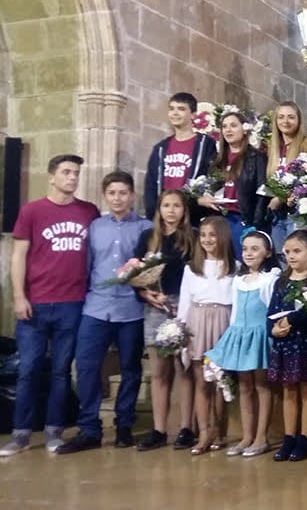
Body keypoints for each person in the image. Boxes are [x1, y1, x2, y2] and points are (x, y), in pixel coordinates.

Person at [1, 154, 100, 457]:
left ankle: (54, 431)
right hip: (37, 303)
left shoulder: (89, 211)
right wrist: (19, 296)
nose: (72, 178)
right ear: (52, 176)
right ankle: (20, 435)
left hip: (73, 302)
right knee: (29, 369)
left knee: (60, 371)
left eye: (76, 173)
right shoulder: (32, 211)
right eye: (66, 172)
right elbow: (18, 255)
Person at [56, 172, 151, 454]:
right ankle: (89, 428)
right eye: (112, 193)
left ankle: (124, 426)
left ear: (132, 195)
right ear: (105, 195)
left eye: (123, 193)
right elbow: (86, 264)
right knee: (85, 367)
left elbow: (149, 267)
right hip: (96, 308)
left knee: (131, 370)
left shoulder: (145, 228)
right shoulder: (95, 226)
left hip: (130, 310)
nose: (118, 198)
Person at [204, 230, 279, 457]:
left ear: (267, 252)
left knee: (262, 385)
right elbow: (236, 311)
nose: (248, 253)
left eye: (255, 249)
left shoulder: (270, 279)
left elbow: (271, 310)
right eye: (245, 248)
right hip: (240, 334)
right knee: (245, 386)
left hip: (260, 335)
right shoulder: (238, 280)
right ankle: (247, 435)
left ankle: (261, 436)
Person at [135, 190, 196, 451]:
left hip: (184, 304)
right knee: (160, 371)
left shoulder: (192, 237)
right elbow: (135, 272)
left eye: (177, 206)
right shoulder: (148, 238)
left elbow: (199, 272)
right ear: (159, 209)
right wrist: (146, 292)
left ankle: (186, 427)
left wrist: (185, 301)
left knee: (183, 368)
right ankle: (159, 429)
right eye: (166, 206)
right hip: (155, 306)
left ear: (184, 210)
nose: (171, 211)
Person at [177, 216, 236, 455]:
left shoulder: (234, 268)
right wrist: (180, 333)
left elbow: (235, 304)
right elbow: (184, 302)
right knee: (202, 382)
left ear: (222, 236)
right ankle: (203, 432)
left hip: (222, 322)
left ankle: (219, 431)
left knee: (220, 381)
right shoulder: (191, 268)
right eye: (203, 235)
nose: (207, 240)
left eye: (212, 235)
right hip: (197, 323)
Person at [268, 230, 307, 462]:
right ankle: (289, 437)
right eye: (288, 252)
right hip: (286, 344)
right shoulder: (282, 282)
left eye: (297, 251)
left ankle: (304, 438)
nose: (292, 256)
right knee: (289, 390)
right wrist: (272, 329)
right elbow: (271, 312)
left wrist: (291, 320)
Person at [199, 110, 268, 257]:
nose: (228, 130)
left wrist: (255, 225)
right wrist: (204, 199)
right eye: (224, 126)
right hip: (218, 218)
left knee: (238, 261)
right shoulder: (216, 161)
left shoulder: (256, 157)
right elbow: (207, 187)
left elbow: (262, 193)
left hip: (242, 219)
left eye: (233, 125)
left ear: (244, 129)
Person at [143, 92, 217, 220]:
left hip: (191, 216)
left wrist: (195, 203)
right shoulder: (160, 148)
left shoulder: (205, 144)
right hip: (164, 216)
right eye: (171, 109)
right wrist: (153, 216)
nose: (175, 113)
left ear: (193, 115)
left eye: (181, 109)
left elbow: (213, 176)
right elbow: (151, 185)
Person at [265, 101, 307, 253]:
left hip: (297, 213)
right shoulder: (272, 148)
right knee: (281, 257)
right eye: (281, 117)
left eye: (290, 117)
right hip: (277, 215)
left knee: (297, 256)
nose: (285, 121)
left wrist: (281, 197)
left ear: (299, 120)